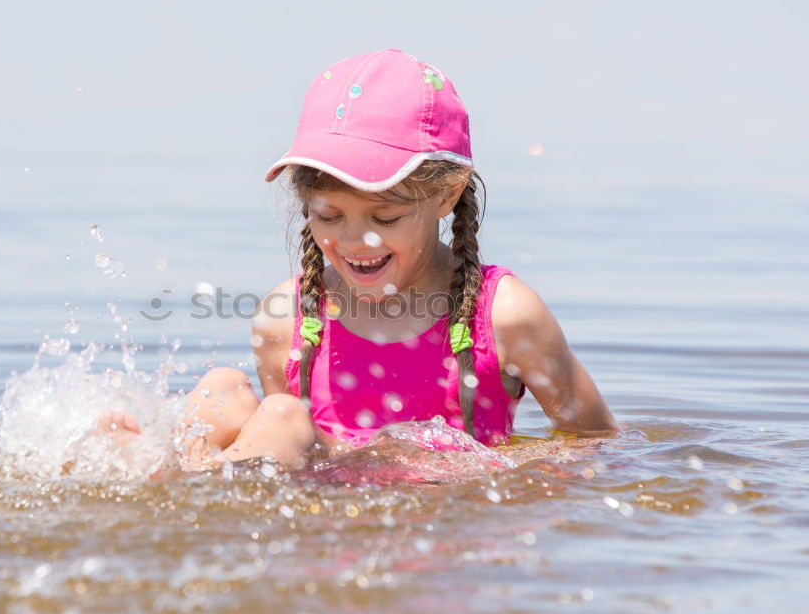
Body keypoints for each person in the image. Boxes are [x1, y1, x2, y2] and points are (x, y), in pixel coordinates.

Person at [100, 48, 620, 471]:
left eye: (385, 218)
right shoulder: (287, 317)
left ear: (446, 195)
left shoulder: (505, 315)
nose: (356, 241)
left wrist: (478, 467)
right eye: (328, 216)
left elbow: (596, 442)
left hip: (435, 528)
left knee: (280, 415)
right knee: (222, 390)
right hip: (322, 524)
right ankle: (171, 472)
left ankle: (183, 478)